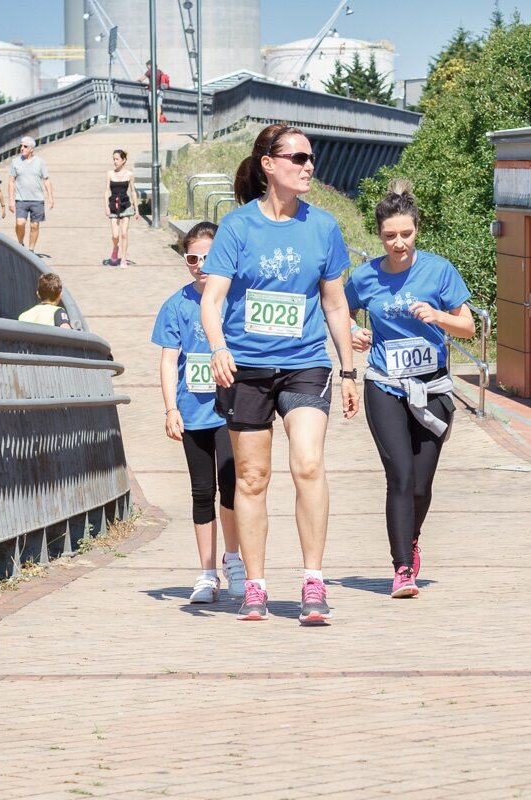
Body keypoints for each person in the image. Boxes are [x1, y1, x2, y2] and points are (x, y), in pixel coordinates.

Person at [199, 123, 359, 625]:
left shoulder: (324, 227)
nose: (308, 165)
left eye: (312, 158)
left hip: (305, 364)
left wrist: (349, 371)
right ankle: (256, 585)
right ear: (269, 164)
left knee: (308, 464)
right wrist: (218, 347)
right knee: (251, 477)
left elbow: (335, 306)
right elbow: (213, 299)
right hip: (245, 366)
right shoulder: (238, 227)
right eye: (298, 157)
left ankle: (313, 580)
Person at [345, 179, 474, 598]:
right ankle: (402, 567)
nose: (398, 243)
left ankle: (412, 537)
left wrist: (438, 316)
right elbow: (336, 312)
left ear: (417, 229)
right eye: (389, 236)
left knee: (420, 485)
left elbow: (469, 326)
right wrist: (353, 332)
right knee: (399, 476)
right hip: (384, 384)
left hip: (433, 387)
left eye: (406, 234)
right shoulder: (364, 276)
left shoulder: (438, 270)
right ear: (378, 235)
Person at [153, 221, 245, 603]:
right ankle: (207, 573)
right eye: (193, 257)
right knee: (202, 492)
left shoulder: (237, 297)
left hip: (231, 410)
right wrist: (170, 409)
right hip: (193, 413)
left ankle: (235, 561)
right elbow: (168, 360)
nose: (201, 264)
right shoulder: (175, 305)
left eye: (208, 256)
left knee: (233, 490)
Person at [7, 136, 54, 253]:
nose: (22, 148)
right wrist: (11, 201)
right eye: (21, 146)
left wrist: (50, 197)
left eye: (25, 146)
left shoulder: (40, 162)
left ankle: (31, 250)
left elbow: (46, 180)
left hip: (37, 199)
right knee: (20, 223)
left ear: (32, 149)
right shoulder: (15, 162)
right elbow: (11, 182)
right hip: (21, 199)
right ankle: (20, 243)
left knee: (35, 226)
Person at [105, 149, 139, 267]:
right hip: (113, 205)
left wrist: (137, 209)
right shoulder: (110, 174)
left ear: (123, 160)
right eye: (114, 159)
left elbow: (133, 192)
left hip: (125, 205)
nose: (115, 161)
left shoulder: (129, 174)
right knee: (115, 235)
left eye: (117, 159)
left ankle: (123, 258)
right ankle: (115, 249)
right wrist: (106, 206)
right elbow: (106, 191)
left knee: (124, 233)